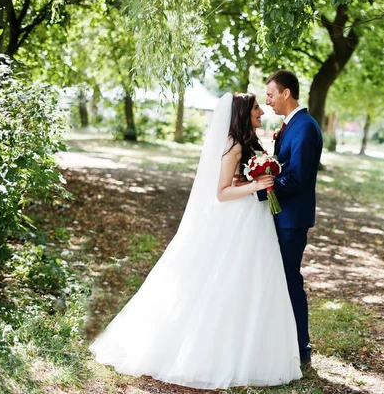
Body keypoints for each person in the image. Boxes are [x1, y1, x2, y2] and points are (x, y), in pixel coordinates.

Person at [89, 92, 303, 389]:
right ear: (243, 112)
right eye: (256, 108)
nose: (261, 112)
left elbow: (234, 183)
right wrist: (254, 184)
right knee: (228, 280)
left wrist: (249, 182)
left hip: (254, 220)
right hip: (239, 220)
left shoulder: (247, 142)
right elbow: (221, 193)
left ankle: (251, 350)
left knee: (254, 282)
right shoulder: (234, 146)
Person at [260, 70, 323, 370]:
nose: (268, 100)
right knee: (281, 280)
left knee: (290, 281)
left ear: (287, 93)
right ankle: (285, 342)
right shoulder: (291, 125)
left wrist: (263, 187)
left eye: (271, 94)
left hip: (292, 220)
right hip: (282, 216)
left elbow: (297, 178)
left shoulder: (305, 128)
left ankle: (302, 348)